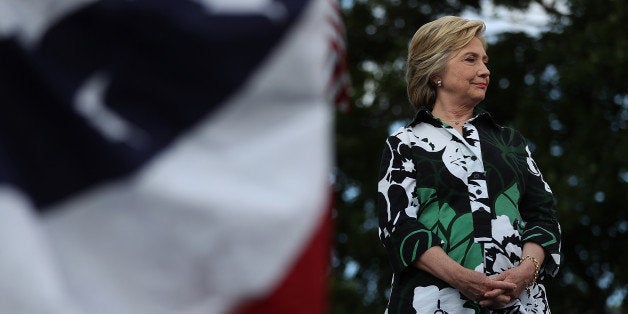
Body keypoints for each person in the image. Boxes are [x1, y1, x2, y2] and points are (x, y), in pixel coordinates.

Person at [377, 16, 561, 313]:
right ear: (436, 72)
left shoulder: (511, 142)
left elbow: (544, 216)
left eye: (485, 61)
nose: (484, 71)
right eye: (471, 59)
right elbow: (397, 227)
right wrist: (465, 280)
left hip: (521, 303)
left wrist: (525, 273)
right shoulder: (404, 144)